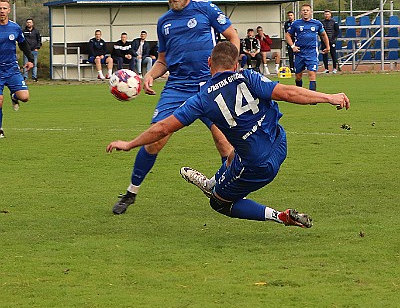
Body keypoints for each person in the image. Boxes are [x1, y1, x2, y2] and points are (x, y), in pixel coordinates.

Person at [107, 41, 350, 227]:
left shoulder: (201, 100)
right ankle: (213, 181)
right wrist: (328, 97)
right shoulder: (249, 76)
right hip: (280, 142)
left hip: (259, 165)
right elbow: (289, 93)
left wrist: (130, 144)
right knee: (233, 154)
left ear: (209, 63)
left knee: (219, 203)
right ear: (236, 65)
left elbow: (162, 128)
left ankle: (280, 216)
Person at [111, 0, 240, 215]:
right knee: (156, 138)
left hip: (209, 85)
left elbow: (232, 37)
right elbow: (163, 60)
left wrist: (231, 68)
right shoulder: (164, 22)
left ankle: (228, 193)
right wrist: (149, 75)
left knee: (224, 143)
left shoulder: (206, 9)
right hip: (177, 87)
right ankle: (131, 192)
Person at [0, 0, 34, 138]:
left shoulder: (15, 27)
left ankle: (14, 96)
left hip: (12, 69)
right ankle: (0, 128)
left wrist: (31, 59)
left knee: (25, 98)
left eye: (4, 8)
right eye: (0, 8)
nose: (1, 11)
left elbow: (23, 44)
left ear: (9, 10)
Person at [285, 4, 330, 91]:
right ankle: (299, 93)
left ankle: (312, 97)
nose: (305, 11)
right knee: (298, 76)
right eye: (303, 10)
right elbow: (287, 35)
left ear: (310, 12)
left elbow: (324, 35)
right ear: (301, 12)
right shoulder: (296, 24)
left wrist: (327, 46)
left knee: (311, 73)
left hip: (311, 52)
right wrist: (293, 46)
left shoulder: (317, 23)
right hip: (299, 52)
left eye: (307, 10)